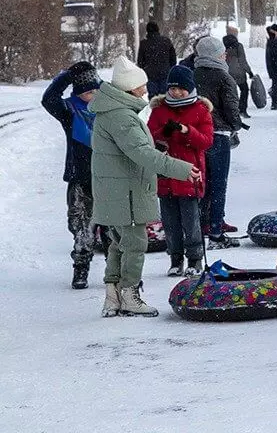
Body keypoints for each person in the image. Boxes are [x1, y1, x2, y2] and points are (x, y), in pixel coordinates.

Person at [90, 56, 198, 317]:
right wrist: (182, 169)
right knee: (135, 244)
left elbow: (133, 150)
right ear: (129, 88)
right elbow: (142, 155)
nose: (145, 89)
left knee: (118, 243)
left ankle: (113, 297)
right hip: (126, 191)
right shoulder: (122, 117)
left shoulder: (112, 111)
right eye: (141, 85)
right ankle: (130, 295)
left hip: (116, 189)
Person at [42, 61, 105, 288]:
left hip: (107, 177)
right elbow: (48, 100)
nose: (94, 95)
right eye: (89, 92)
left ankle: (115, 271)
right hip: (80, 177)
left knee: (111, 228)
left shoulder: (107, 108)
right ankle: (81, 269)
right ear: (79, 93)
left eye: (97, 90)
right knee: (81, 226)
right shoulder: (69, 111)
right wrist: (67, 76)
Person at [148, 65, 214, 276]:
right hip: (165, 175)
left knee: (191, 221)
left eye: (180, 88)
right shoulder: (159, 110)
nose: (176, 92)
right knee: (170, 222)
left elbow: (206, 141)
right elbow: (149, 139)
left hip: (189, 175)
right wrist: (163, 133)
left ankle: (195, 259)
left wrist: (187, 131)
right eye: (172, 88)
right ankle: (175, 259)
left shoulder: (200, 110)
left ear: (190, 87)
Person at [193, 36, 242, 248]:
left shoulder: (191, 75)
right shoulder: (224, 77)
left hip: (194, 136)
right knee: (219, 183)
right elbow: (231, 106)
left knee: (202, 182)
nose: (225, 55)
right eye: (222, 52)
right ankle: (215, 230)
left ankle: (204, 222)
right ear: (215, 55)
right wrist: (235, 126)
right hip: (219, 134)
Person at [136, 21, 177, 98]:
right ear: (158, 29)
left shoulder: (144, 43)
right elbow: (173, 58)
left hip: (150, 75)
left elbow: (140, 61)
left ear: (147, 31)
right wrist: (169, 69)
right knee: (166, 96)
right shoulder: (166, 41)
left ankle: (154, 109)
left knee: (153, 98)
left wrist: (145, 70)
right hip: (165, 73)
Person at [222, 26, 253, 118]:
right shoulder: (238, 46)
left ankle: (232, 111)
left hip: (227, 72)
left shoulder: (223, 45)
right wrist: (249, 72)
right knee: (244, 90)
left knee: (231, 93)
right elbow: (243, 61)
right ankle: (242, 110)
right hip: (239, 72)